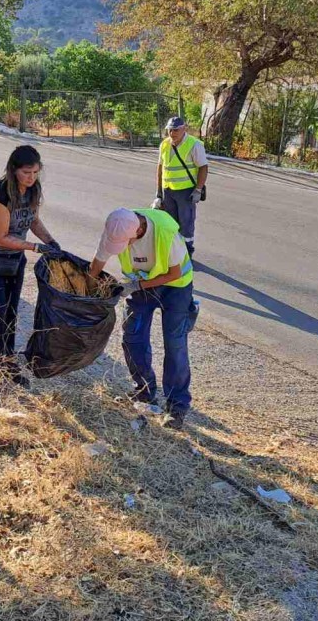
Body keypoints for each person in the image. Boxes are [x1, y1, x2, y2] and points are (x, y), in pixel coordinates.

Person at [89, 207, 197, 429]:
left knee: (174, 344)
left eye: (126, 243)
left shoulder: (165, 231)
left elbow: (174, 273)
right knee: (132, 337)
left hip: (175, 288)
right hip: (141, 287)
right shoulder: (117, 227)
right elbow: (97, 263)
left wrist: (135, 285)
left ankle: (177, 407)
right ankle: (144, 391)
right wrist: (86, 291)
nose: (123, 248)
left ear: (138, 230)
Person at [0, 145, 62, 387]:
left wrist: (50, 241)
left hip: (13, 257)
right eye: (25, 173)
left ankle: (8, 364)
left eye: (35, 173)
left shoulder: (33, 189)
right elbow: (0, 237)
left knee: (11, 310)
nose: (31, 178)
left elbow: (33, 220)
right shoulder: (1, 194)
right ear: (13, 170)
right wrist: (35, 248)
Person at [154, 116, 208, 255]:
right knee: (170, 223)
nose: (172, 133)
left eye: (176, 130)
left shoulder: (194, 145)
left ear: (184, 129)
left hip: (186, 192)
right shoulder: (164, 144)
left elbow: (203, 167)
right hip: (169, 191)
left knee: (186, 223)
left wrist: (198, 189)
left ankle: (187, 252)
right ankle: (174, 251)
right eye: (170, 130)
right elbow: (161, 169)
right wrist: (159, 194)